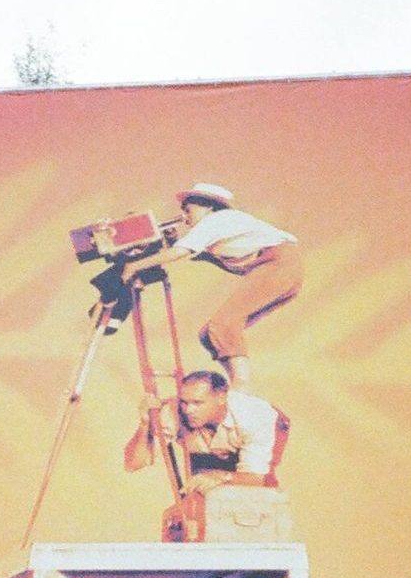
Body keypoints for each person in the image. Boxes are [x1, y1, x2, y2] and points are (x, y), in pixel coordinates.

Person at [110, 183, 303, 390]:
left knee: (223, 324)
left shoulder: (216, 220)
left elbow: (181, 252)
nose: (184, 217)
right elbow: (196, 252)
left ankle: (242, 387)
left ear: (208, 206)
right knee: (209, 334)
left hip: (279, 266)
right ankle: (234, 386)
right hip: (285, 272)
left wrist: (134, 266)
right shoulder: (223, 227)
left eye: (188, 210)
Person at [124, 370, 288, 496]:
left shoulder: (254, 417)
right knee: (201, 488)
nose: (188, 410)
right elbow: (133, 464)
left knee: (261, 490)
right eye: (184, 402)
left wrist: (222, 477)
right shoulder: (174, 411)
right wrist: (144, 424)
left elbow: (256, 478)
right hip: (212, 446)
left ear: (221, 398)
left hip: (267, 429)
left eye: (197, 403)